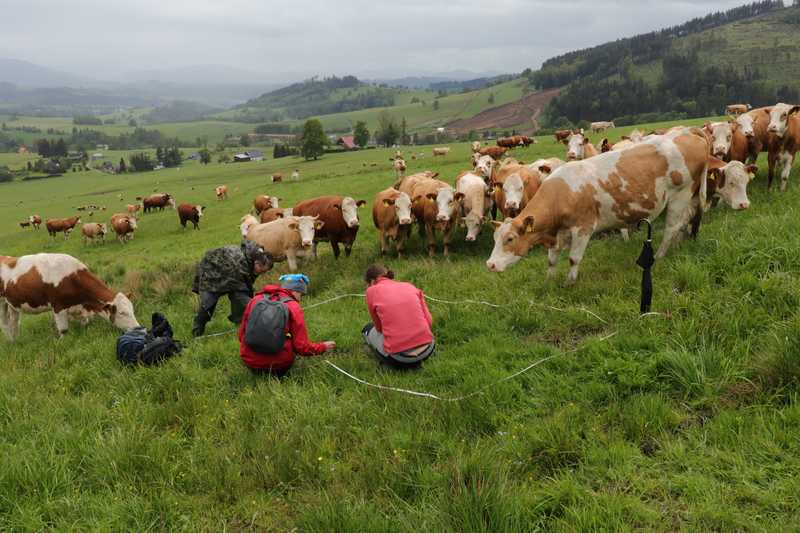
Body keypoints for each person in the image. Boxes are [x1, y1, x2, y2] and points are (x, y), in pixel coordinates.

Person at [239, 274, 336, 376]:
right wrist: (323, 347)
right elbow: (302, 347)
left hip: (249, 362)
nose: (300, 299)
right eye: (301, 294)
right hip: (278, 366)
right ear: (295, 291)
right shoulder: (294, 306)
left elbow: (241, 335)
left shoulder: (256, 299)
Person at [192, 240, 273, 337]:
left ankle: (240, 326)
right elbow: (245, 286)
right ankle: (196, 333)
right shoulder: (239, 262)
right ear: (257, 263)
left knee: (240, 297)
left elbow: (245, 286)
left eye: (264, 272)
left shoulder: (256, 257)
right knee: (209, 303)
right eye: (261, 271)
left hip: (229, 271)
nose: (261, 273)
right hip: (211, 273)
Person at [362, 265, 435, 369]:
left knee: (367, 329)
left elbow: (379, 329)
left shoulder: (371, 291)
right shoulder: (409, 286)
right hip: (428, 349)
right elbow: (429, 322)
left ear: (372, 281)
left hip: (400, 358)